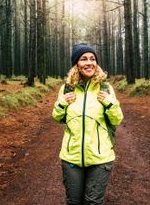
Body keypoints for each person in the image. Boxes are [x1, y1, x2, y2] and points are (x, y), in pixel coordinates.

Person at [52, 43, 124, 205]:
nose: (89, 62)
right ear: (76, 64)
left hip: (100, 158)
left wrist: (111, 104)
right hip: (71, 158)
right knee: (73, 202)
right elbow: (57, 117)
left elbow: (117, 120)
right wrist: (62, 103)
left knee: (93, 202)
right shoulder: (67, 88)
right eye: (84, 59)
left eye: (92, 59)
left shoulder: (105, 87)